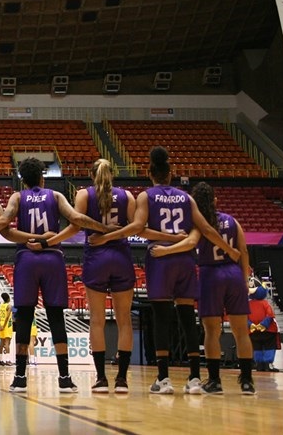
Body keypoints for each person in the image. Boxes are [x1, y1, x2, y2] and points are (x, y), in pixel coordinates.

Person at [89, 146, 240, 395]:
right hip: (185, 260)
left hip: (160, 259)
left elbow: (137, 227)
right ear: (170, 175)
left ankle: (163, 378)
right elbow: (208, 229)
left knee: (161, 318)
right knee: (187, 318)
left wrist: (108, 237)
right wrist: (229, 250)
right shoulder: (186, 198)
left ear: (150, 174)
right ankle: (194, 378)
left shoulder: (146, 196)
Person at [0, 157, 113, 394]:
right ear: (41, 177)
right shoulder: (56, 197)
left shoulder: (17, 197)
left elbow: (5, 223)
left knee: (25, 318)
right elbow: (77, 220)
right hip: (53, 257)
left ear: (22, 180)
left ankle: (19, 378)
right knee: (56, 317)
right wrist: (106, 229)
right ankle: (65, 378)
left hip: (26, 259)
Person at [151, 182, 255, 395]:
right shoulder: (232, 221)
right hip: (234, 273)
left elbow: (190, 243)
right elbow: (243, 250)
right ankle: (247, 381)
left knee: (211, 331)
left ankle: (215, 380)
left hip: (211, 274)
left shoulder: (198, 224)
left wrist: (165, 250)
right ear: (216, 200)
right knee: (241, 332)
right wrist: (244, 279)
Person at [73, 158, 135, 394]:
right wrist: (114, 234)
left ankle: (100, 378)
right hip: (121, 256)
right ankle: (122, 379)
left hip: (96, 257)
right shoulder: (126, 195)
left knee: (97, 320)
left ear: (92, 175)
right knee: (124, 320)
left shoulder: (84, 195)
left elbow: (78, 220)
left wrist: (101, 232)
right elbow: (136, 226)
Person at [248, 280, 279, 371]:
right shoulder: (265, 303)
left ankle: (259, 365)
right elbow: (270, 315)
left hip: (254, 331)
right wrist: (263, 324)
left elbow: (245, 317)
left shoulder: (248, 305)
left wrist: (251, 325)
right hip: (268, 331)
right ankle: (267, 365)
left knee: (257, 348)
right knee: (269, 347)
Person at [0, 293, 14, 366]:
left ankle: (0, 360)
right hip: (7, 325)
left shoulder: (0, 306)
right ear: (8, 298)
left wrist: (0, 325)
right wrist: (3, 326)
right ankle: (7, 360)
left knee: (1, 343)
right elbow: (7, 317)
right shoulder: (9, 306)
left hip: (1, 324)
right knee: (7, 343)